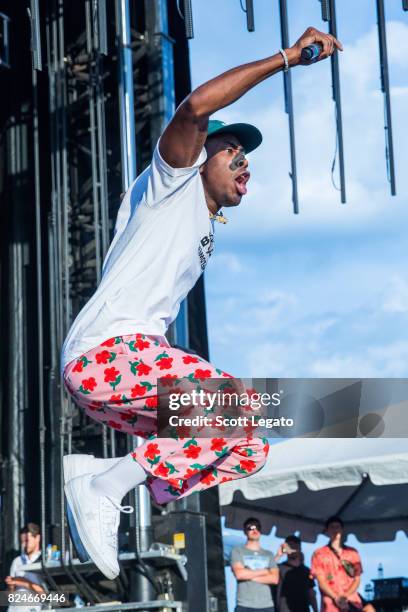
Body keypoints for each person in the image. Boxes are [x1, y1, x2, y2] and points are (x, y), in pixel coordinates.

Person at [61, 26, 343, 581]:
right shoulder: (172, 183)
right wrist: (289, 57)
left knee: (248, 447)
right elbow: (195, 107)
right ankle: (106, 482)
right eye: (232, 152)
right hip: (105, 354)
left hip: (119, 380)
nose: (245, 166)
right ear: (199, 156)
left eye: (246, 159)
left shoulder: (201, 225)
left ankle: (114, 477)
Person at [311, 516, 365, 611]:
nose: (335, 530)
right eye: (332, 527)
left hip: (352, 602)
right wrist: (336, 598)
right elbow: (321, 581)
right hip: (331, 604)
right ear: (327, 530)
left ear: (342, 530)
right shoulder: (319, 554)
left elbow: (357, 578)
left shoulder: (353, 553)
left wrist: (345, 596)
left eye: (337, 527)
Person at [231, 517, 279, 612]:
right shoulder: (237, 551)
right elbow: (239, 574)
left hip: (266, 606)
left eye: (257, 527)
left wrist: (249, 575)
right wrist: (265, 571)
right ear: (245, 531)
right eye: (250, 528)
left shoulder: (269, 554)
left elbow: (274, 579)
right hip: (244, 605)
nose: (254, 530)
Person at [5, 523, 46, 612]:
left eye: (27, 540)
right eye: (22, 541)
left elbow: (46, 596)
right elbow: (9, 597)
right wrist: (11, 587)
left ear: (37, 538)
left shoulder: (44, 560)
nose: (24, 544)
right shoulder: (16, 561)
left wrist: (23, 582)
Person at [274, 535, 317, 612]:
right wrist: (278, 555)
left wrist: (316, 610)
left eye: (294, 547)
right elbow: (266, 571)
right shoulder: (278, 568)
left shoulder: (306, 571)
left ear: (300, 549)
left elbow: (311, 594)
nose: (292, 550)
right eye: (289, 547)